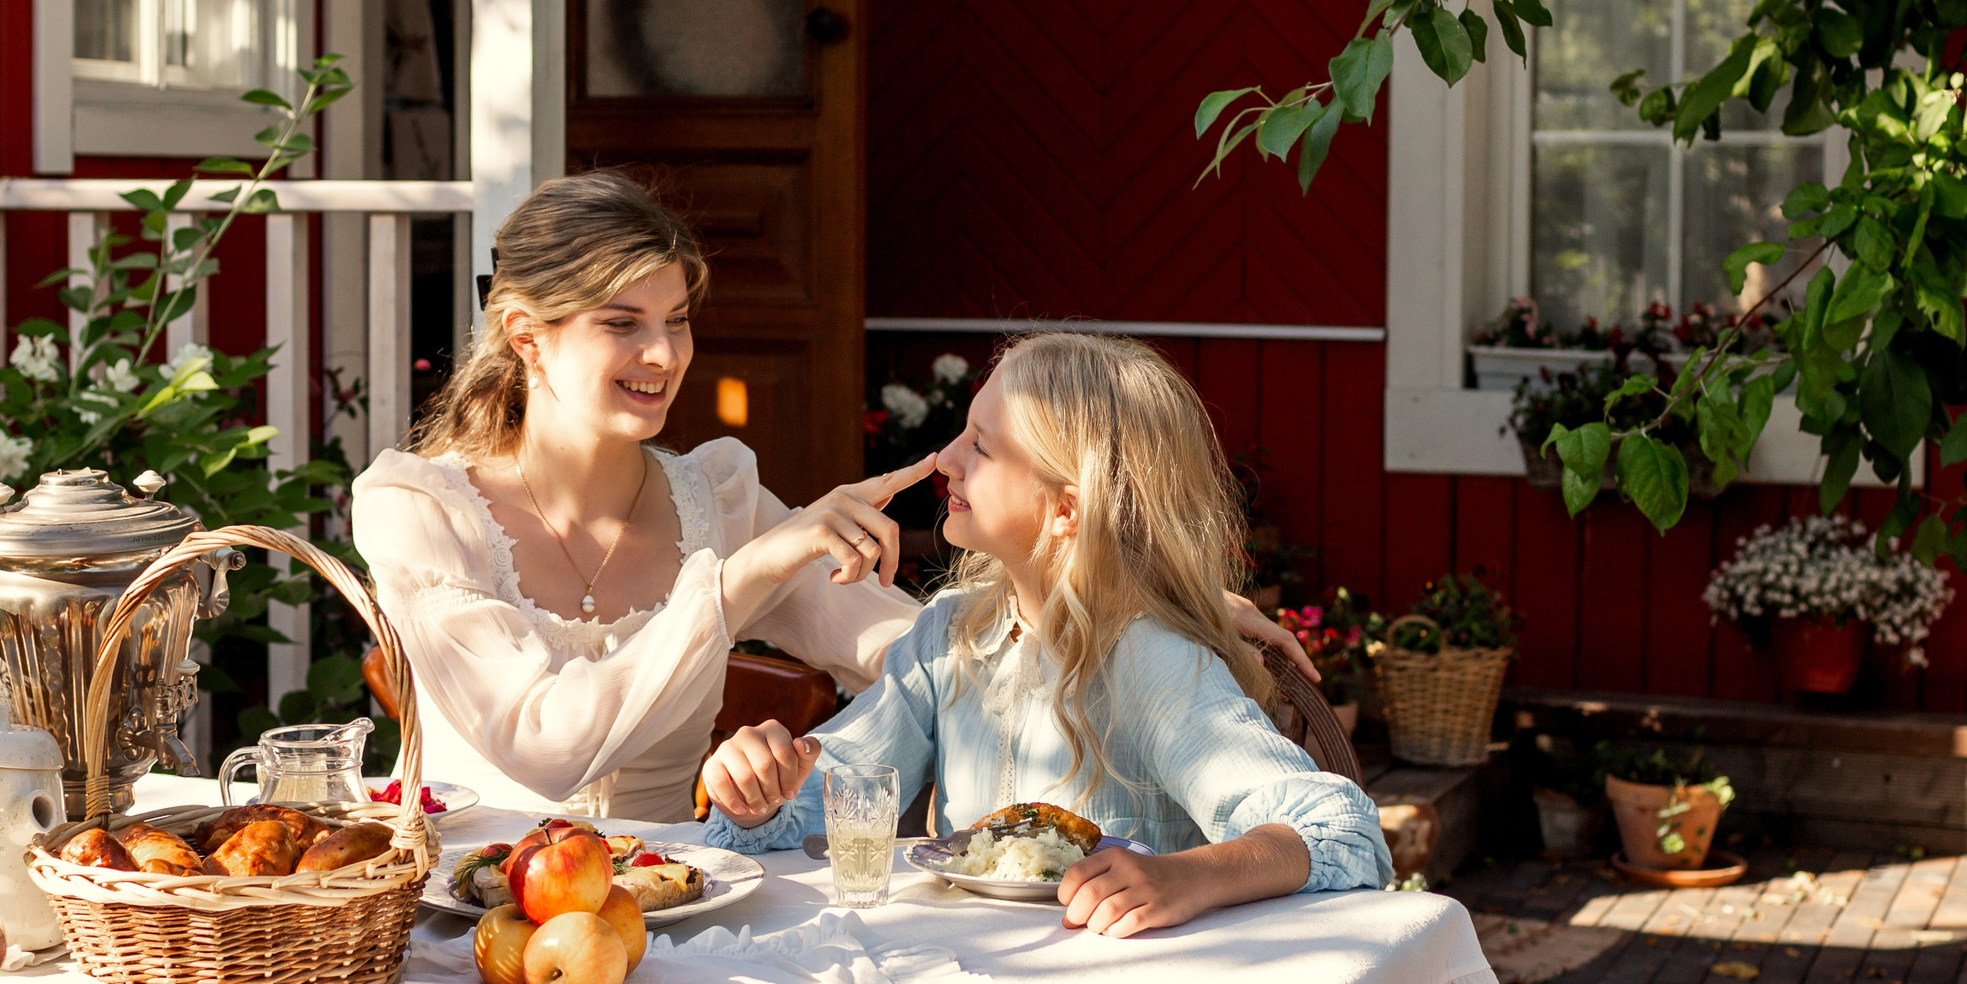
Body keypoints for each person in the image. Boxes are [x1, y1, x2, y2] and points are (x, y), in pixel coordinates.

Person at [350, 172, 1311, 823]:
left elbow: (930, 654)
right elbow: (542, 746)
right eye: (623, 323)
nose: (665, 355)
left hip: (660, 920)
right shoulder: (418, 510)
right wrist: (748, 574)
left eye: (678, 320)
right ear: (525, 334)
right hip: (448, 920)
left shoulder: (712, 499)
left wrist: (1123, 606)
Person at [700, 331, 1390, 936]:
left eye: (982, 446)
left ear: (1065, 509)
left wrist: (1189, 877)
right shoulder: (950, 635)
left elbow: (1343, 831)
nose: (945, 458)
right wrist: (761, 786)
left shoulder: (1148, 661)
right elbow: (827, 803)